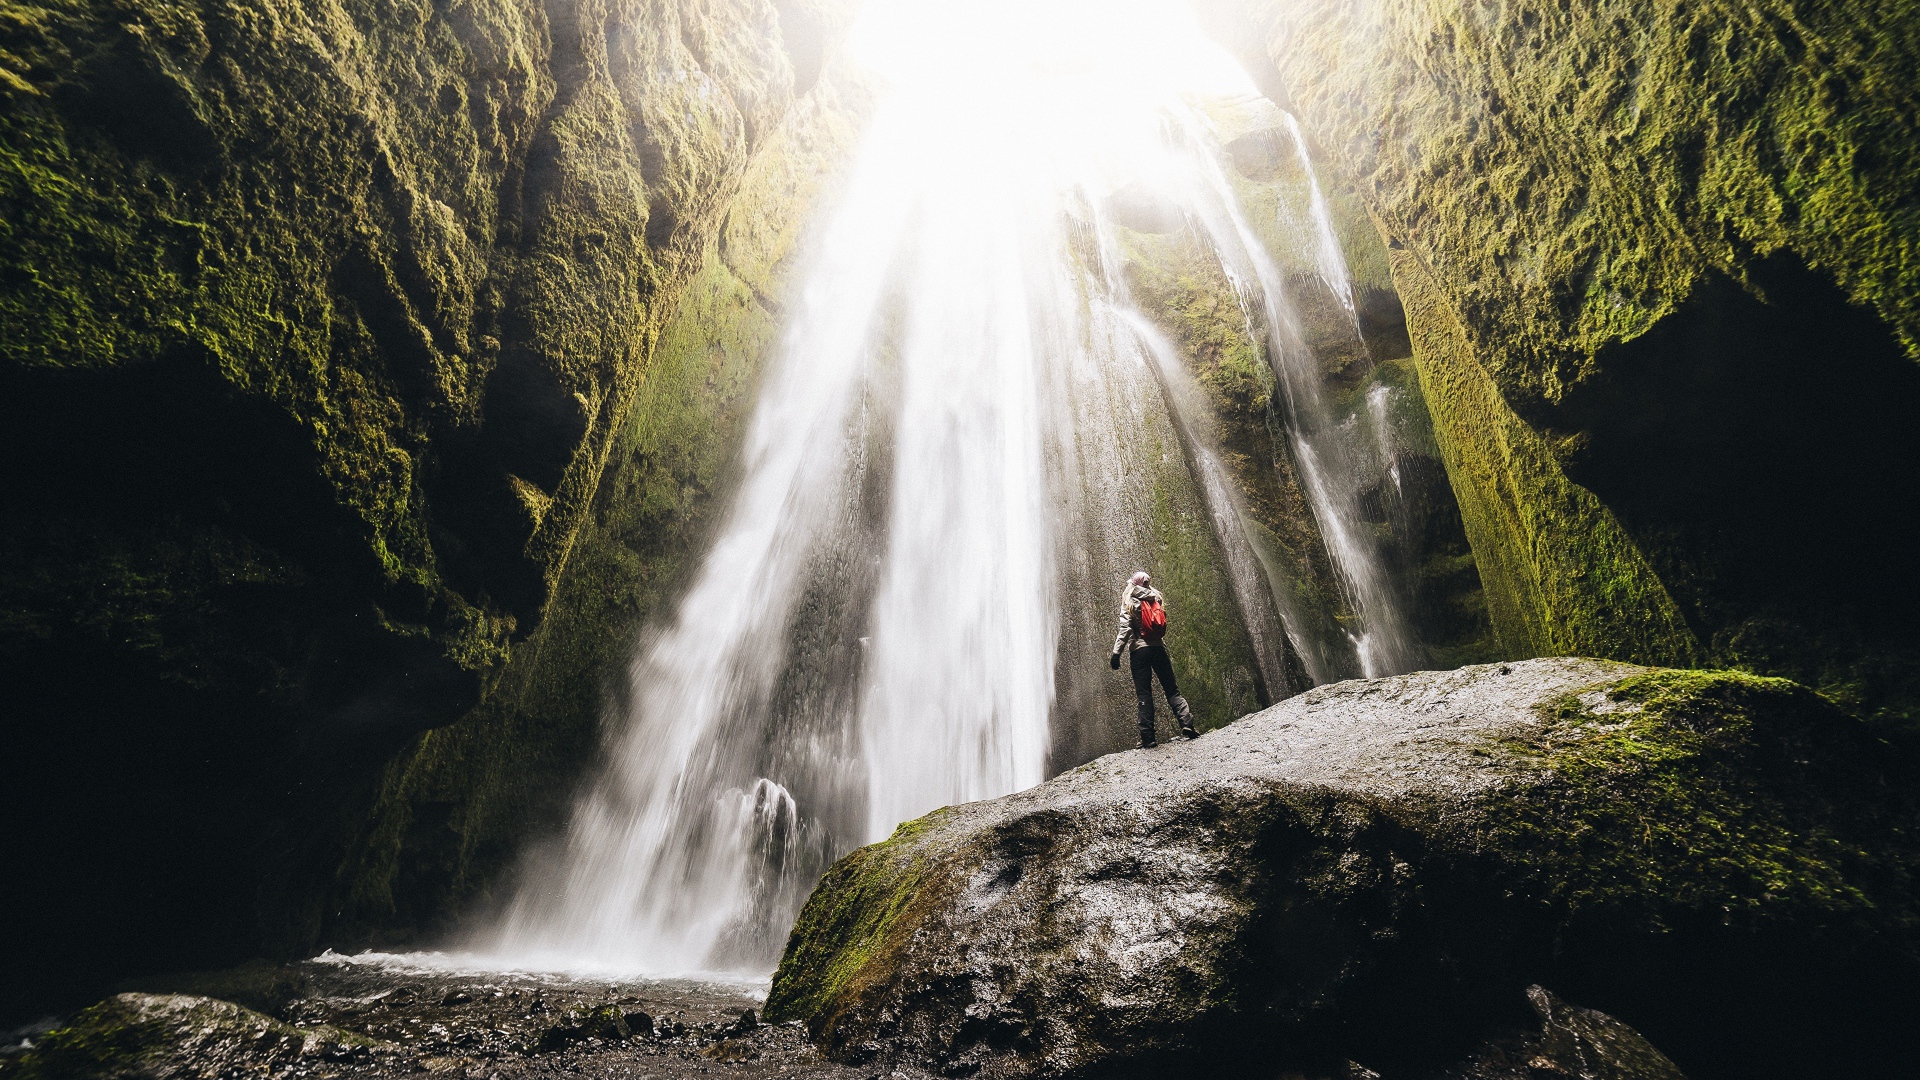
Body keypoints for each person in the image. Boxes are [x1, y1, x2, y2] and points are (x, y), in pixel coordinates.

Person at [1109, 571, 1196, 748]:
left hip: (1139, 651)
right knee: (1172, 690)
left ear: (1133, 584)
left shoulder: (1129, 600)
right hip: (1158, 648)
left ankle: (1148, 737)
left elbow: (1125, 629)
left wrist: (1116, 654)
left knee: (1144, 694)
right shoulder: (1156, 597)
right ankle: (1187, 724)